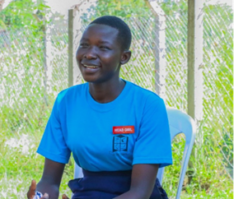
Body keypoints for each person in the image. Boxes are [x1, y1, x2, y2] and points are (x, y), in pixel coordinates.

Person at [27, 15, 172, 199]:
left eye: (103, 47)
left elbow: (139, 193)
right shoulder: (66, 101)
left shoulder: (148, 105)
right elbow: (49, 181)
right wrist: (40, 196)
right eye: (84, 45)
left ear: (124, 57)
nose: (89, 54)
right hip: (89, 192)